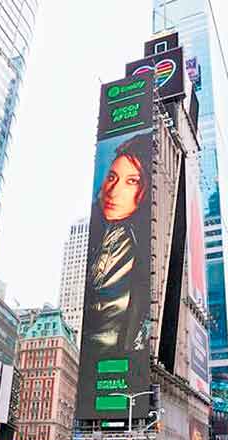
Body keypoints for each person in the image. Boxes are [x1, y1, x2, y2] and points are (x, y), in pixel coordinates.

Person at [84, 133, 152, 355]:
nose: (113, 191)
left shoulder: (144, 247)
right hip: (93, 369)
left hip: (120, 366)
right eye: (112, 177)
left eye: (131, 181)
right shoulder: (97, 232)